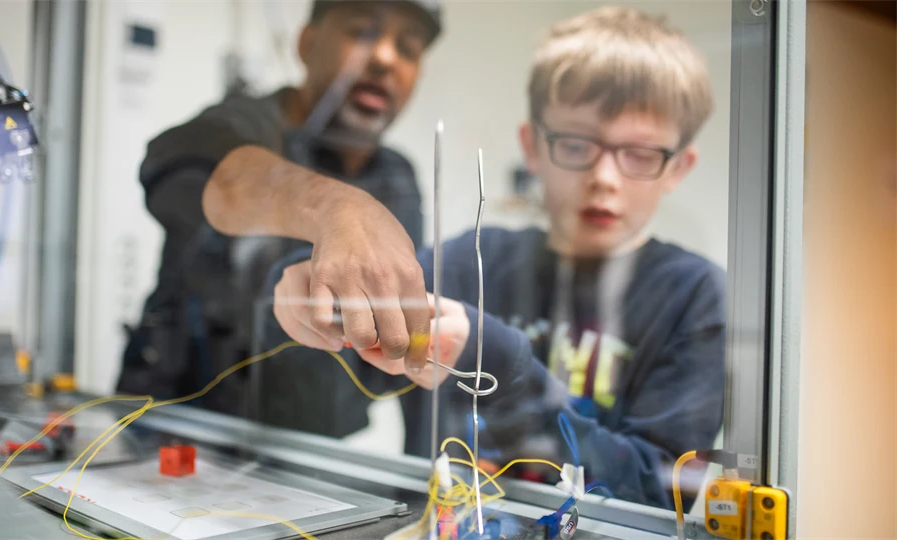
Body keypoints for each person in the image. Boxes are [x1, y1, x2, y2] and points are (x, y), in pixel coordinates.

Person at [266, 6, 726, 509]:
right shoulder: (466, 263)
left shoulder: (695, 297)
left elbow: (660, 495)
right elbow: (341, 368)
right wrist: (312, 285)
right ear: (532, 147)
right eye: (576, 146)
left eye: (640, 154)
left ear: (679, 167)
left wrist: (502, 364)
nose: (604, 179)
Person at [117, 0, 444, 439]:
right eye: (363, 32)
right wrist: (332, 207)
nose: (384, 57)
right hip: (181, 433)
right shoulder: (245, 126)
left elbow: (404, 329)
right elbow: (180, 164)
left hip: (313, 448)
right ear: (307, 43)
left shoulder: (397, 176)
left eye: (407, 48)